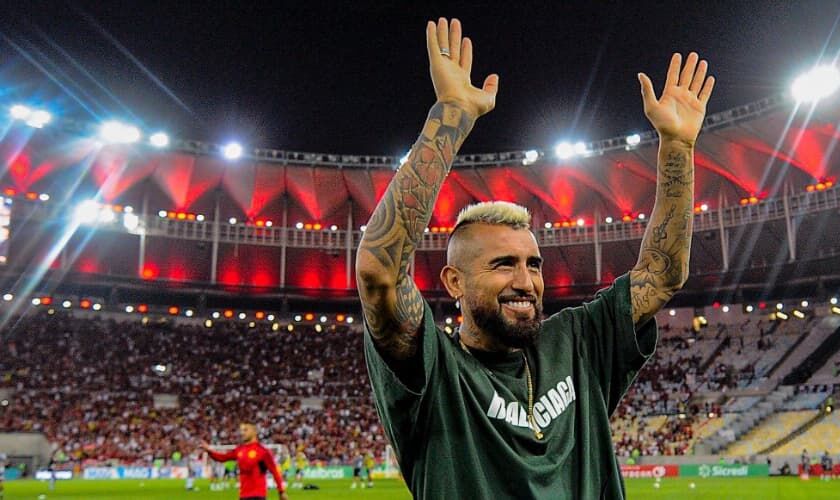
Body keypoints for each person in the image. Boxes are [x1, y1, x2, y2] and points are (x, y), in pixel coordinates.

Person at [355, 17, 714, 499]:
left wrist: (677, 147)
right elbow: (379, 271)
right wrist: (454, 114)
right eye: (502, 264)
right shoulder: (431, 369)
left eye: (533, 264)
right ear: (454, 281)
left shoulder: (578, 342)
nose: (526, 280)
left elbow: (663, 273)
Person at [201, 423, 287, 500]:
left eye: (245, 430)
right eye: (242, 430)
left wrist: (281, 491)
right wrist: (209, 451)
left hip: (258, 495)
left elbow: (274, 471)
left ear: (254, 431)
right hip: (243, 495)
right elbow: (222, 458)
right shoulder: (239, 450)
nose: (242, 433)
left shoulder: (263, 452)